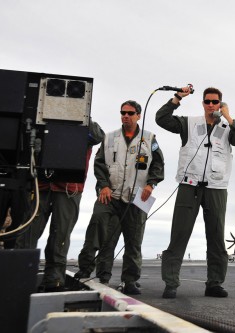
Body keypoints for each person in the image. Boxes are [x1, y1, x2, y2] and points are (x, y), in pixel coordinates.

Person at [156, 86, 235, 299]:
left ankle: (214, 283)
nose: (210, 105)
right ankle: (171, 283)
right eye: (207, 101)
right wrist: (178, 97)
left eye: (215, 102)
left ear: (220, 104)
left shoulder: (228, 128)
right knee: (179, 234)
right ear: (202, 103)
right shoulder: (188, 124)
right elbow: (161, 118)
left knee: (216, 236)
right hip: (189, 186)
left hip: (216, 188)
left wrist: (229, 117)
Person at [75, 100, 164, 295]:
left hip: (138, 196)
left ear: (138, 115)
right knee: (99, 228)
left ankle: (130, 280)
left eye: (130, 113)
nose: (126, 116)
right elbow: (99, 164)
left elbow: (158, 165)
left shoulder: (150, 139)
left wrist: (151, 184)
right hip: (111, 194)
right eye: (123, 112)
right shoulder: (109, 138)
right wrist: (103, 186)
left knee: (134, 240)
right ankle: (91, 272)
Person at [15, 120, 104, 292]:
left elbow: (98, 137)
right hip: (40, 186)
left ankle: (54, 281)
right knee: (28, 231)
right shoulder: (41, 117)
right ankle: (19, 278)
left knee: (60, 237)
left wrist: (81, 114)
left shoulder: (86, 125)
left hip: (68, 189)